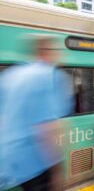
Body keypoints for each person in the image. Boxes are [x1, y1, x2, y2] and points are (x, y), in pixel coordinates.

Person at [0, 35, 73, 191]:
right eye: (56, 50)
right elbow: (46, 129)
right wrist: (57, 171)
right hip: (33, 162)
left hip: (9, 160)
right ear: (47, 52)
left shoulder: (11, 74)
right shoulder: (46, 76)